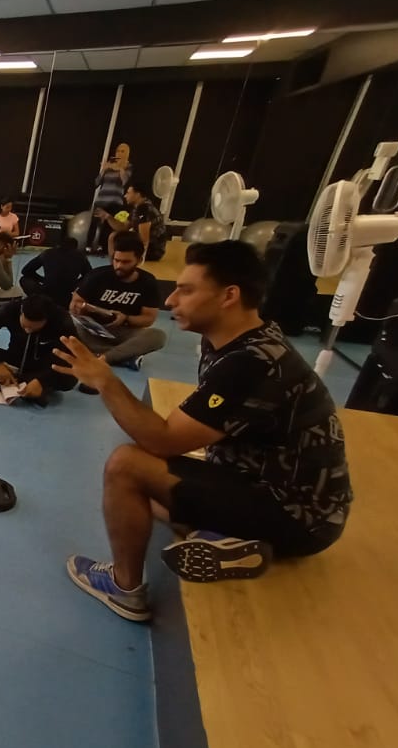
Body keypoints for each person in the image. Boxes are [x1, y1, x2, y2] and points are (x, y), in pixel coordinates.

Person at [55, 241, 353, 622]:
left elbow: (161, 439)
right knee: (139, 497)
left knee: (125, 466)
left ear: (229, 296)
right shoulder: (243, 340)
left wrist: (105, 381)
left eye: (187, 290)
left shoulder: (249, 363)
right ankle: (232, 541)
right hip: (290, 498)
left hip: (299, 516)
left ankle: (124, 589)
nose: (170, 300)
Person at [69, 231, 166, 377]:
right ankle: (124, 356)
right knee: (66, 324)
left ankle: (102, 357)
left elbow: (148, 318)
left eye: (126, 262)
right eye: (116, 260)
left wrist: (125, 318)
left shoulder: (148, 282)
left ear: (139, 260)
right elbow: (74, 304)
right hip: (93, 328)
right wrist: (82, 309)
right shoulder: (97, 275)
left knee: (158, 336)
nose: (119, 266)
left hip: (125, 331)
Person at [0, 295, 76, 407]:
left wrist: (42, 380)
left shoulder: (62, 320)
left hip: (42, 367)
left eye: (34, 328)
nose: (28, 331)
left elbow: (71, 355)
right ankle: (26, 386)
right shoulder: (10, 310)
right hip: (14, 361)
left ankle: (6, 382)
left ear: (46, 320)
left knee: (71, 378)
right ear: (21, 312)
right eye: (25, 327)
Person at [20, 235, 93, 309]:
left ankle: (38, 300)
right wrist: (76, 284)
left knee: (24, 279)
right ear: (76, 247)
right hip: (68, 295)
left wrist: (43, 279)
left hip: (46, 292)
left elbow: (25, 271)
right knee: (88, 284)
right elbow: (90, 276)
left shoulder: (47, 253)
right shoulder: (81, 256)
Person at [100, 183, 167, 261]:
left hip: (153, 250)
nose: (125, 196)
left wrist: (141, 259)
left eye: (128, 193)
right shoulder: (137, 208)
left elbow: (144, 239)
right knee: (114, 236)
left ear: (137, 194)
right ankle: (115, 263)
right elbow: (123, 227)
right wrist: (108, 217)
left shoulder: (144, 209)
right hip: (148, 247)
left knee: (116, 238)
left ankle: (117, 263)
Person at [85, 142, 132, 254]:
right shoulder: (109, 165)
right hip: (102, 199)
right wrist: (104, 169)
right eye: (118, 151)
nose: (119, 153)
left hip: (115, 202)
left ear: (127, 153)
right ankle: (88, 246)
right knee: (94, 223)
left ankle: (103, 248)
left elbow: (124, 181)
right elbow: (96, 182)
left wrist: (120, 167)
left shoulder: (128, 166)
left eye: (122, 151)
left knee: (109, 225)